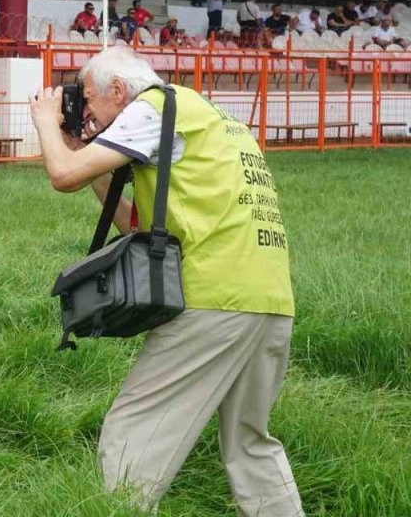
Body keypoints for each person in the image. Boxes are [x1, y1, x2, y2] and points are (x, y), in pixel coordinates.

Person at [28, 47, 300, 517]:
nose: (85, 115)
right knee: (250, 445)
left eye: (87, 102)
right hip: (269, 298)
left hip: (213, 298)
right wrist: (88, 157)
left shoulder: (150, 107)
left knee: (130, 436)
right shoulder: (211, 118)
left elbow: (62, 175)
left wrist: (47, 124)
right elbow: (135, 229)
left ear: (119, 91)